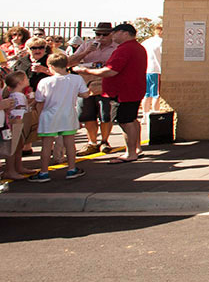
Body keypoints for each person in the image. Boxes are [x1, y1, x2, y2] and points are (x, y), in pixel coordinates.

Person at [76, 24, 148, 163]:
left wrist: (85, 71)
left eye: (114, 33)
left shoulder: (125, 49)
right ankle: (136, 149)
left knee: (125, 121)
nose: (112, 37)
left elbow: (110, 71)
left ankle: (131, 152)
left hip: (123, 92)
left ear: (125, 33)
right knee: (132, 120)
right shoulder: (137, 48)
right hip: (132, 90)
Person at [29, 58, 91, 182]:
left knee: (46, 145)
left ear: (50, 66)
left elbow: (39, 99)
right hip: (68, 115)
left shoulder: (45, 81)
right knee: (69, 143)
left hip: (49, 116)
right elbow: (85, 94)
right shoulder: (76, 79)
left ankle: (44, 172)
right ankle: (72, 169)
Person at [66, 22, 117, 154]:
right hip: (86, 85)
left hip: (106, 84)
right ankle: (92, 142)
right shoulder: (86, 45)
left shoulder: (116, 47)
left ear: (111, 34)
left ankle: (104, 141)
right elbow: (70, 63)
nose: (100, 37)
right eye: (98, 34)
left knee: (105, 115)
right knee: (87, 115)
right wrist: (87, 52)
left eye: (104, 34)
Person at [141, 22, 164, 120]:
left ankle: (145, 115)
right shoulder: (161, 42)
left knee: (147, 94)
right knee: (156, 94)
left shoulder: (146, 42)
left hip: (146, 70)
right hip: (157, 69)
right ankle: (155, 114)